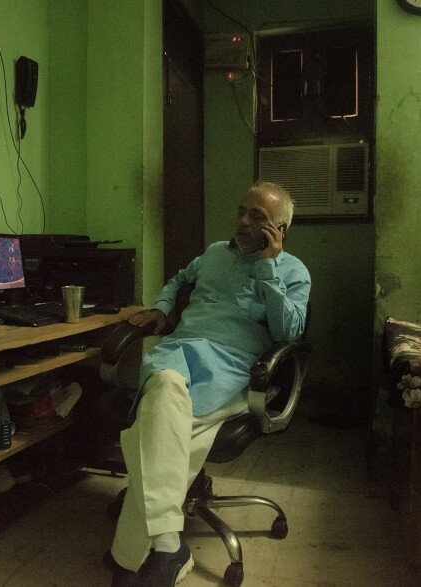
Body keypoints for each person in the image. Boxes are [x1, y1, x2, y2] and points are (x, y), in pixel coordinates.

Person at [110, 182, 311, 587]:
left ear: (279, 229)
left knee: (160, 414)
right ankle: (168, 545)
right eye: (241, 211)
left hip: (233, 367)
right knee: (165, 386)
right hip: (179, 350)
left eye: (257, 216)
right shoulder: (214, 254)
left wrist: (269, 268)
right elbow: (178, 279)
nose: (242, 221)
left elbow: (290, 332)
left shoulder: (293, 270)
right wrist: (163, 308)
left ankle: (137, 546)